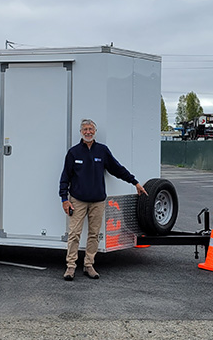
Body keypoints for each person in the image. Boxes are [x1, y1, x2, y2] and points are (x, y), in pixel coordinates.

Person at [59, 119, 148, 281]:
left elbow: (117, 169)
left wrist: (134, 182)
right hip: (77, 200)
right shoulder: (73, 153)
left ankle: (89, 265)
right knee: (74, 234)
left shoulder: (102, 151)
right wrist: (64, 199)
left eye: (91, 129)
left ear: (95, 132)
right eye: (85, 129)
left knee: (94, 234)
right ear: (81, 132)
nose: (88, 132)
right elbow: (65, 177)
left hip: (98, 201)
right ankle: (70, 267)